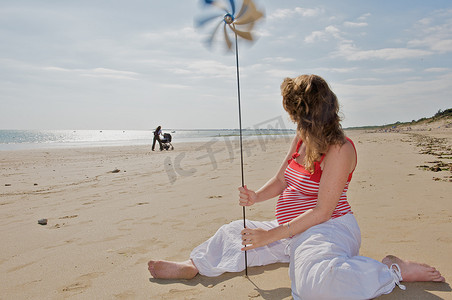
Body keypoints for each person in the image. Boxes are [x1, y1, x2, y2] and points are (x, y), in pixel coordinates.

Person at [148, 75, 444, 299]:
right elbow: (281, 180)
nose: (292, 121)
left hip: (327, 229)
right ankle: (194, 263)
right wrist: (256, 197)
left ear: (309, 113)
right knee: (232, 231)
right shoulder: (302, 137)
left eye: (295, 114)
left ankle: (390, 269)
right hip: (290, 230)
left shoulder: (340, 149)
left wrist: (270, 236)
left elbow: (322, 212)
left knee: (314, 282)